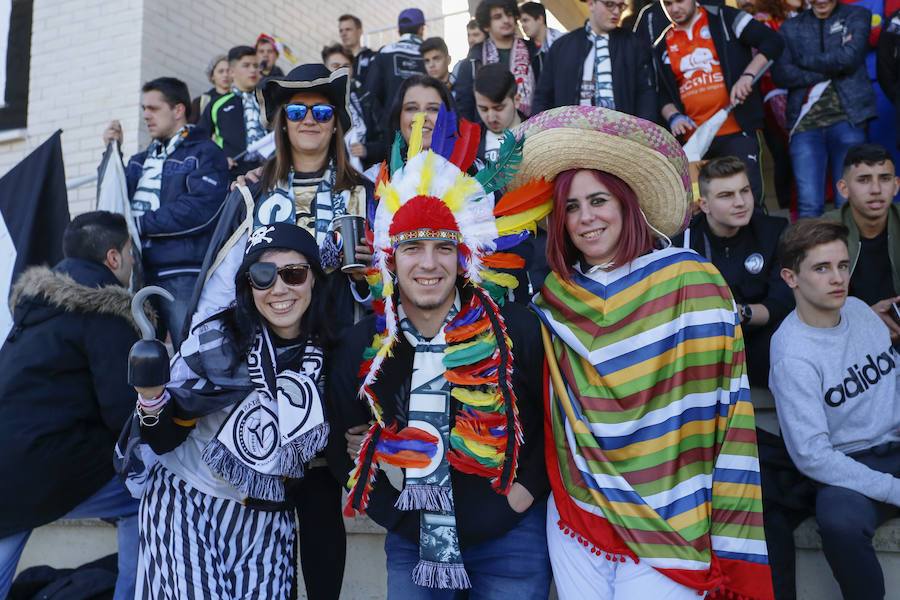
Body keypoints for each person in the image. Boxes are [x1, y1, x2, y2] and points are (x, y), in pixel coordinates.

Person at [519, 106, 773, 599]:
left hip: (670, 511)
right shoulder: (556, 297)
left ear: (627, 202)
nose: (585, 218)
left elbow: (719, 405)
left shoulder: (689, 280)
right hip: (580, 513)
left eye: (598, 200)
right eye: (570, 207)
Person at [330, 106, 553, 598]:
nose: (428, 264)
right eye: (412, 248)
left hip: (510, 540)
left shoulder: (517, 330)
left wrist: (521, 497)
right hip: (412, 547)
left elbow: (551, 424)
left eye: (441, 247)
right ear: (390, 257)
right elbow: (341, 443)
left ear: (463, 256)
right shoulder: (364, 347)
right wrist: (391, 513)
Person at [127, 223, 332, 599]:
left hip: (268, 514)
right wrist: (151, 397)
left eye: (294, 274)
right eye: (263, 276)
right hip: (187, 502)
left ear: (314, 280)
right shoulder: (214, 343)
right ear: (248, 286)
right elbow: (163, 435)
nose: (280, 289)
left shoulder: (329, 355)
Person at [0, 211, 140, 600]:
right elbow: (124, 415)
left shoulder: (33, 314)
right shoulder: (106, 311)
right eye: (130, 252)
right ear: (113, 258)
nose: (132, 261)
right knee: (145, 491)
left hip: (7, 467)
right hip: (44, 467)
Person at [769, 218, 900, 600]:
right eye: (822, 268)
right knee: (839, 522)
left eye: (843, 266)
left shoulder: (859, 311)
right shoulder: (792, 354)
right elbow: (813, 456)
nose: (837, 278)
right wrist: (893, 489)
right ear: (791, 278)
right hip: (848, 465)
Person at [102, 77, 229, 349]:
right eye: (143, 109)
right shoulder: (138, 160)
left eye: (153, 108)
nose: (146, 115)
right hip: (133, 272)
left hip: (181, 271)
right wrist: (112, 152)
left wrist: (136, 224)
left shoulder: (206, 152)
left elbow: (198, 210)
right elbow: (112, 205)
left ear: (178, 110)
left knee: (195, 352)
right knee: (135, 357)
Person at [636, 0, 784, 205]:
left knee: (748, 203)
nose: (674, 9)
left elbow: (772, 42)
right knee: (701, 207)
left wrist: (748, 76)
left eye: (680, 1)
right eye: (668, 4)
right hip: (694, 142)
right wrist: (673, 116)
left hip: (736, 131)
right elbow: (659, 92)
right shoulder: (661, 43)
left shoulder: (725, 18)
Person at [675, 156, 793, 387]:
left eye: (745, 191)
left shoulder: (773, 231)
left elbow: (781, 302)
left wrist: (737, 313)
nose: (740, 202)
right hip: (705, 345)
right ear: (705, 205)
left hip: (762, 341)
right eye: (726, 195)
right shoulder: (684, 241)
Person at [773, 0, 876, 217]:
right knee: (809, 205)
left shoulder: (856, 15)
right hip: (804, 123)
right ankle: (811, 252)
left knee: (848, 200)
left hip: (849, 118)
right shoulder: (790, 28)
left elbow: (849, 58)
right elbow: (781, 74)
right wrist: (832, 68)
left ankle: (852, 251)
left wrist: (803, 61)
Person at [532, 0, 657, 121]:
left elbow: (646, 93)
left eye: (621, 6)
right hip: (571, 135)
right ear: (591, 4)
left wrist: (641, 130)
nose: (616, 11)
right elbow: (543, 96)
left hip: (621, 136)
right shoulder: (561, 46)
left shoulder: (633, 45)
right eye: (610, 4)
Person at [828, 143, 900, 336]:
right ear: (844, 188)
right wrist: (865, 317)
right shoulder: (824, 232)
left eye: (885, 179)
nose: (876, 189)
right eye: (864, 180)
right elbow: (810, 304)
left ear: (896, 185)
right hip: (848, 337)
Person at [455, 0, 540, 123]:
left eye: (509, 15)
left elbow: (544, 97)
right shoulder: (473, 61)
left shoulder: (535, 53)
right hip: (488, 135)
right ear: (486, 25)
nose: (506, 20)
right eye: (498, 17)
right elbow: (465, 108)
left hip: (532, 131)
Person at [199, 45, 265, 179]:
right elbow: (199, 140)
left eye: (256, 65)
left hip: (268, 176)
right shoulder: (217, 104)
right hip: (231, 179)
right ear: (232, 71)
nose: (253, 70)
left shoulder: (269, 102)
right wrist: (217, 158)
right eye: (246, 65)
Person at [364, 8, 427, 118]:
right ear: (421, 29)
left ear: (399, 31)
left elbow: (370, 94)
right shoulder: (430, 53)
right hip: (426, 126)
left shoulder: (385, 52)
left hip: (392, 129)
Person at [474, 63, 523, 162]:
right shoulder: (469, 140)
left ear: (516, 100)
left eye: (499, 108)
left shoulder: (537, 134)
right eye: (483, 109)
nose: (491, 118)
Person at [189, 54, 231, 125]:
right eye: (221, 71)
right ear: (212, 76)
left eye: (228, 71)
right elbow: (190, 129)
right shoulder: (200, 102)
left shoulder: (239, 101)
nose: (225, 75)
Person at [339, 14, 377, 85]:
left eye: (348, 29)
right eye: (341, 31)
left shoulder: (373, 57)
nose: (343, 34)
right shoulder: (337, 60)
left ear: (359, 31)